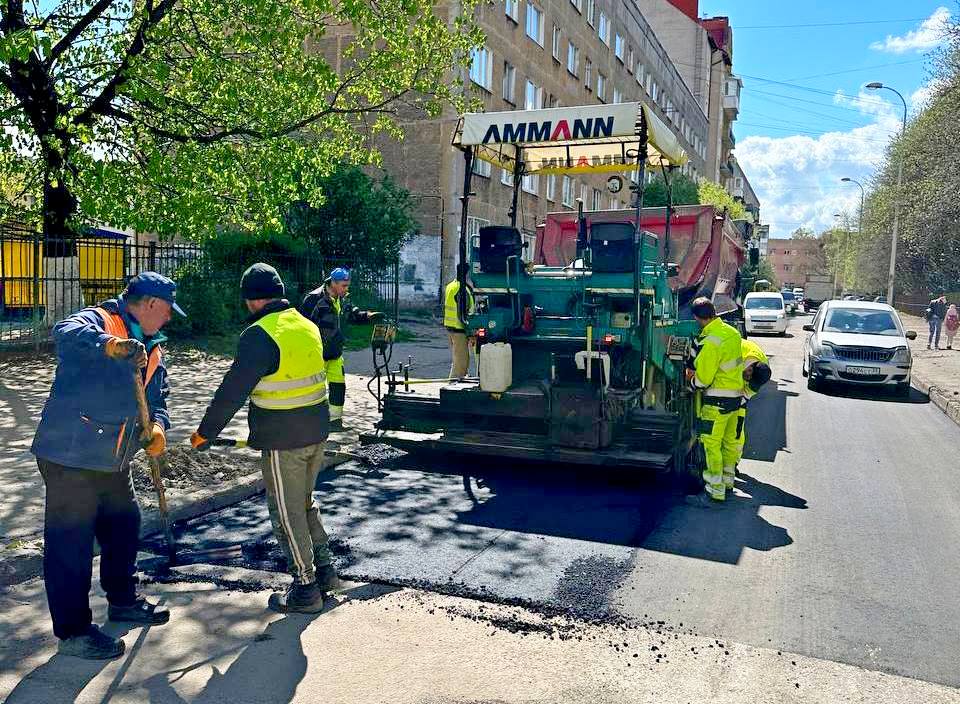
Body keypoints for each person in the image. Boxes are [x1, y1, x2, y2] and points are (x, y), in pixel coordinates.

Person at [31, 272, 182, 659]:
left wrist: (158, 427)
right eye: (167, 310)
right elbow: (65, 333)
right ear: (150, 304)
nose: (169, 318)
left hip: (112, 459)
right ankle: (74, 632)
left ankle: (122, 601)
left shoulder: (153, 347)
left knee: (124, 525)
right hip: (70, 454)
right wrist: (110, 346)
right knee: (72, 545)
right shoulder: (101, 321)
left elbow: (158, 397)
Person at [192, 264, 335, 613]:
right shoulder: (306, 324)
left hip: (284, 440)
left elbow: (232, 391)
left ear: (252, 300)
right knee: (304, 503)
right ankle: (326, 570)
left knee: (286, 512)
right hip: (317, 432)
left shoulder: (259, 335)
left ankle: (306, 588)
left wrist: (205, 433)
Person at [299, 268, 383, 431]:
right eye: (344, 286)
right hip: (316, 354)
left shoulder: (342, 298)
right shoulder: (314, 299)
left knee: (338, 387)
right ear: (333, 283)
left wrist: (368, 316)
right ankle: (308, 425)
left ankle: (335, 423)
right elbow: (302, 326)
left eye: (347, 285)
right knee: (313, 391)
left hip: (335, 353)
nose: (346, 289)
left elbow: (352, 315)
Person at [684, 297, 743, 508]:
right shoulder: (733, 333)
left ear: (697, 318)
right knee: (728, 444)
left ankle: (713, 491)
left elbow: (703, 380)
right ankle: (727, 482)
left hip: (716, 402)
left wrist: (690, 383)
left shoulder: (710, 342)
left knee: (711, 446)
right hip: (735, 399)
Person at [733, 338, 773, 482]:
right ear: (750, 367)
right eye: (748, 376)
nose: (748, 380)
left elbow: (748, 393)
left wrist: (738, 402)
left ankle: (733, 463)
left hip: (735, 393)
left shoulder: (762, 370)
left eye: (750, 380)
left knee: (737, 431)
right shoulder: (735, 353)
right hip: (726, 382)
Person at [443, 272, 475, 379]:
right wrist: (471, 333)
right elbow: (463, 314)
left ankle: (455, 380)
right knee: (461, 363)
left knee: (457, 359)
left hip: (450, 327)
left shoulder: (450, 286)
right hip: (459, 329)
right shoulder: (462, 289)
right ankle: (454, 383)